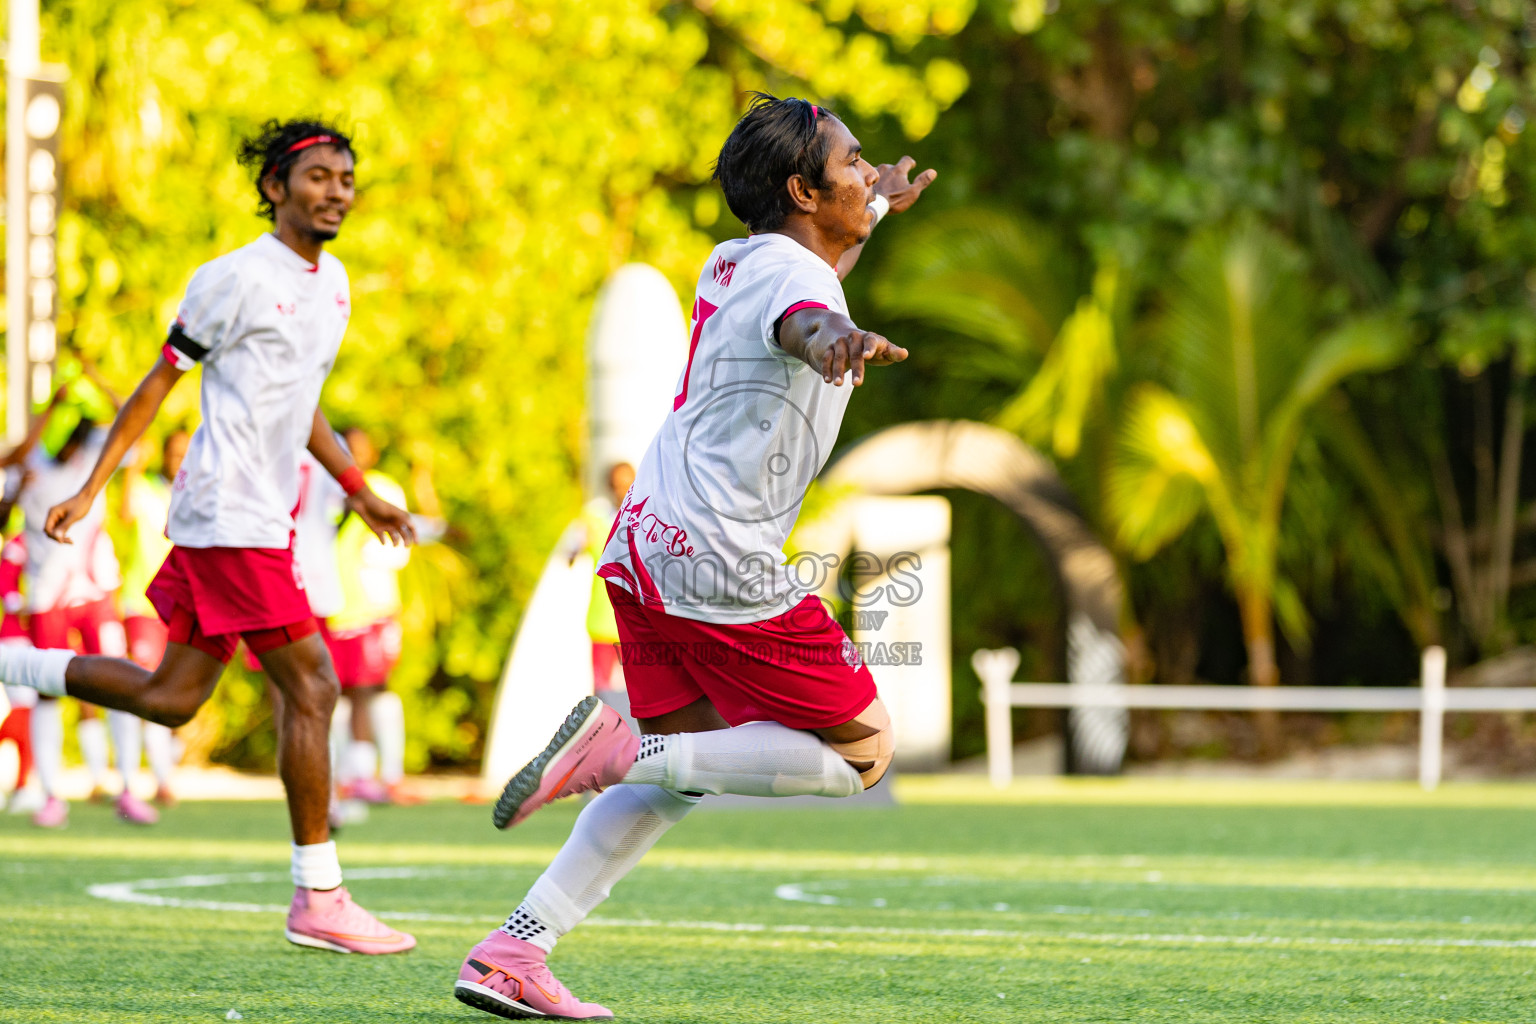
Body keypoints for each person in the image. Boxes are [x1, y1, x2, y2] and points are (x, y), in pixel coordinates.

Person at [454, 94, 935, 1020]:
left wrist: (875, 209)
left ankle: (514, 950)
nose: (868, 170)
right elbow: (807, 319)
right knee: (864, 754)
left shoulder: (737, 257)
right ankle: (625, 747)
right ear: (802, 189)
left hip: (646, 539)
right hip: (721, 557)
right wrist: (842, 342)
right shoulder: (797, 285)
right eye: (854, 160)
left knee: (695, 764)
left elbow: (815, 271)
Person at [0, 118, 418, 954]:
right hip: (229, 515)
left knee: (171, 699)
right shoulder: (233, 279)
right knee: (314, 688)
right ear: (274, 187)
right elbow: (158, 385)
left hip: (253, 518)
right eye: (317, 177)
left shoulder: (334, 285)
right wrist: (89, 488)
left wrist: (359, 491)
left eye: (345, 177)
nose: (335, 190)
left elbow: (301, 408)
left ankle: (8, 661)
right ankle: (319, 895)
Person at [1, 384, 157, 827]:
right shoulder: (29, 470)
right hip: (47, 598)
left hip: (95, 593)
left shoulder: (95, 462)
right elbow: (11, 462)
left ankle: (127, 787)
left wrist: (92, 378)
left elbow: (134, 418)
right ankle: (52, 796)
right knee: (48, 696)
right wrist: (51, 407)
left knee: (119, 685)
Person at [325, 426, 415, 806]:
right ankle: (348, 773)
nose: (355, 455)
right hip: (333, 607)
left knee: (370, 689)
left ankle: (384, 773)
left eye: (360, 448)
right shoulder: (327, 489)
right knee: (339, 693)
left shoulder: (384, 488)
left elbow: (399, 549)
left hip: (372, 608)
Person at [111, 430, 190, 807]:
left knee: (176, 689)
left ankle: (162, 770)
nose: (180, 459)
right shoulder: (145, 490)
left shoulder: (198, 493)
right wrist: (133, 467)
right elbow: (125, 513)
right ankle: (141, 779)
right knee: (145, 685)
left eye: (186, 453)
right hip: (143, 605)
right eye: (174, 452)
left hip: (184, 606)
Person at [558, 461, 636, 716]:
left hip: (636, 622)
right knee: (603, 693)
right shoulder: (594, 520)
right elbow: (569, 551)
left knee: (640, 690)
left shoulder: (645, 519)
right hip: (604, 620)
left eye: (627, 484)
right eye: (617, 485)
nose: (622, 491)